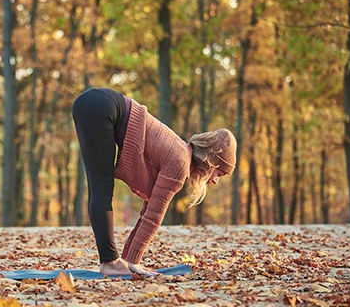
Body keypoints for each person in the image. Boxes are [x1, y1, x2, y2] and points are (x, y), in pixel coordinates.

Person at [71, 87, 237, 276]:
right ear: (211, 162)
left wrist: (129, 260)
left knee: (98, 187)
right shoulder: (180, 164)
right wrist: (133, 262)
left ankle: (112, 261)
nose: (216, 181)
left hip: (92, 102)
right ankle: (109, 262)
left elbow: (147, 211)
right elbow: (153, 216)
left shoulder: (180, 153)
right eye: (220, 174)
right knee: (101, 188)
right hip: (103, 107)